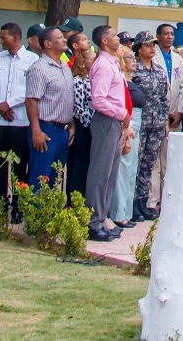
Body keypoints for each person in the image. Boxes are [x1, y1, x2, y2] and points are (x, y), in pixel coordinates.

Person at [0, 23, 37, 220]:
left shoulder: (32, 60)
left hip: (20, 122)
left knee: (20, 168)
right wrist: (0, 105)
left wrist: (10, 104)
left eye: (4, 37)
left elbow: (32, 90)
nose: (1, 40)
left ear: (15, 37)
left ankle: (18, 209)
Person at [87, 25, 130, 242]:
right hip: (106, 120)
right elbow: (99, 99)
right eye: (113, 35)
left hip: (115, 122)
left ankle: (102, 218)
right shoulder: (103, 65)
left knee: (111, 173)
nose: (117, 38)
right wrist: (121, 113)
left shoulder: (113, 64)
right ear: (104, 41)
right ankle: (93, 222)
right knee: (100, 173)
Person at [25, 26, 75, 190]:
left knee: (56, 178)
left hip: (63, 131)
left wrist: (72, 126)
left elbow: (68, 98)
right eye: (60, 37)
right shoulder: (39, 68)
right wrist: (36, 131)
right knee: (41, 179)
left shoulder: (65, 68)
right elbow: (31, 100)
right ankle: (36, 215)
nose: (64, 39)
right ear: (47, 43)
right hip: (46, 130)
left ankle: (52, 215)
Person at [149, 23, 183, 214]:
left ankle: (166, 201)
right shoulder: (152, 56)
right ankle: (152, 202)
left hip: (174, 117)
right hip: (156, 116)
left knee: (169, 161)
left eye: (172, 34)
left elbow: (182, 87)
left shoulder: (178, 59)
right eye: (166, 34)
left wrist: (179, 112)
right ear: (158, 36)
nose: (169, 37)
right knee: (154, 161)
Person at [132, 31, 169, 221]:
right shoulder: (134, 69)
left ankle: (142, 201)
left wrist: (164, 123)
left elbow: (163, 99)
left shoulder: (159, 71)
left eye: (153, 45)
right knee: (135, 164)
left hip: (156, 125)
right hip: (139, 123)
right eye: (147, 45)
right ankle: (130, 204)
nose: (152, 48)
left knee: (148, 165)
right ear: (139, 48)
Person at [110, 45, 145, 227]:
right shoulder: (120, 80)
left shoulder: (133, 80)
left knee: (131, 171)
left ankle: (127, 212)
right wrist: (127, 130)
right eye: (129, 58)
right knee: (122, 171)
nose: (133, 61)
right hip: (128, 124)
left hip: (136, 125)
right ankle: (118, 213)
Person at [67, 47, 96, 202]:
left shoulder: (93, 79)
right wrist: (91, 122)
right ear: (83, 62)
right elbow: (78, 108)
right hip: (82, 127)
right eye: (92, 59)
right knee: (79, 166)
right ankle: (73, 201)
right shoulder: (78, 81)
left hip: (91, 127)